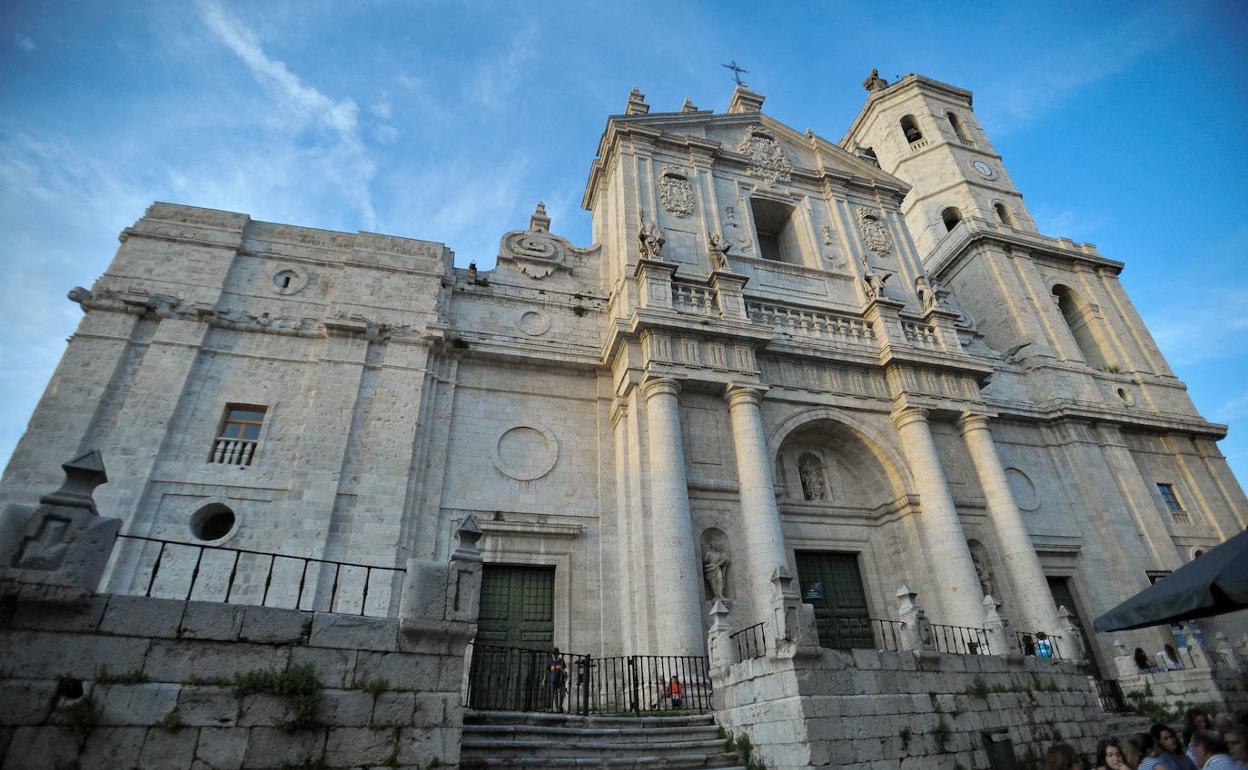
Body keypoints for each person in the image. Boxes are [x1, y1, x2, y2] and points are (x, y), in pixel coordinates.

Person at [547, 648, 567, 713]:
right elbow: (548, 670)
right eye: (553, 654)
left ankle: (560, 707)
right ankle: (554, 708)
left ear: (558, 654)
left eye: (555, 654)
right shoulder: (551, 661)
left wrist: (565, 677)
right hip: (553, 680)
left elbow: (564, 670)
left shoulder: (561, 661)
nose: (554, 656)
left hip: (560, 680)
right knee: (554, 695)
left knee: (561, 694)